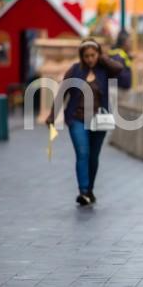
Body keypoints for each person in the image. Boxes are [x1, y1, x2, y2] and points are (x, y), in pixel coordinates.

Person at [46, 38, 124, 206]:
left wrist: (103, 59)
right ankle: (83, 191)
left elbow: (119, 69)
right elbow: (61, 94)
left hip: (99, 121)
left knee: (93, 157)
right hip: (77, 119)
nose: (90, 59)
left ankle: (89, 190)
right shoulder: (74, 71)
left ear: (98, 54)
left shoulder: (104, 70)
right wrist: (53, 115)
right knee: (82, 153)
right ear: (81, 56)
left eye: (93, 55)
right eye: (87, 56)